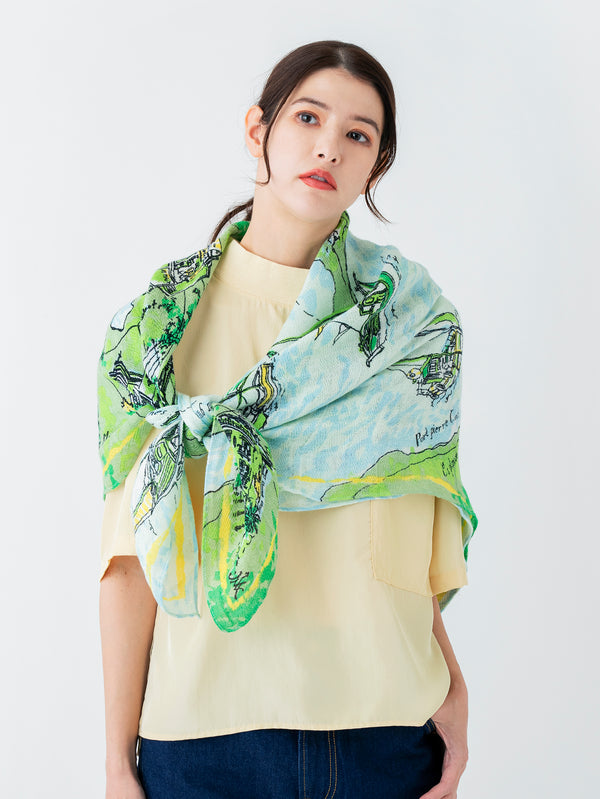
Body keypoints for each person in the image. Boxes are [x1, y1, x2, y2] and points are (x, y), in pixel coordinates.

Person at [98, 40, 477, 799]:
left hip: (385, 735)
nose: (329, 146)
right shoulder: (157, 331)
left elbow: (414, 545)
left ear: (375, 166)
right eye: (308, 117)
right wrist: (115, 759)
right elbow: (129, 562)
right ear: (258, 130)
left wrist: (455, 694)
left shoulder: (411, 327)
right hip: (202, 739)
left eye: (358, 134)